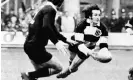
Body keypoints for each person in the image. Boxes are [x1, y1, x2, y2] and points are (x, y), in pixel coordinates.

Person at [21, 0, 76, 80]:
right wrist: (56, 42)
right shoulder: (51, 10)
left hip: (29, 46)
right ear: (60, 3)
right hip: (36, 48)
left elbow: (52, 28)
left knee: (38, 72)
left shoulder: (44, 8)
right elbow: (46, 27)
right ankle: (27, 75)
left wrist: (65, 40)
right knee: (58, 68)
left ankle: (29, 76)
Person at [56, 4, 112, 78]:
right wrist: (90, 53)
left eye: (99, 15)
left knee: (73, 68)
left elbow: (103, 43)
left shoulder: (103, 28)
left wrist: (104, 51)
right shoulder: (81, 25)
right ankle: (71, 63)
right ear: (89, 16)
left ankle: (66, 73)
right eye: (95, 15)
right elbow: (79, 45)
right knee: (72, 60)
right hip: (75, 44)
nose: (98, 17)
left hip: (89, 48)